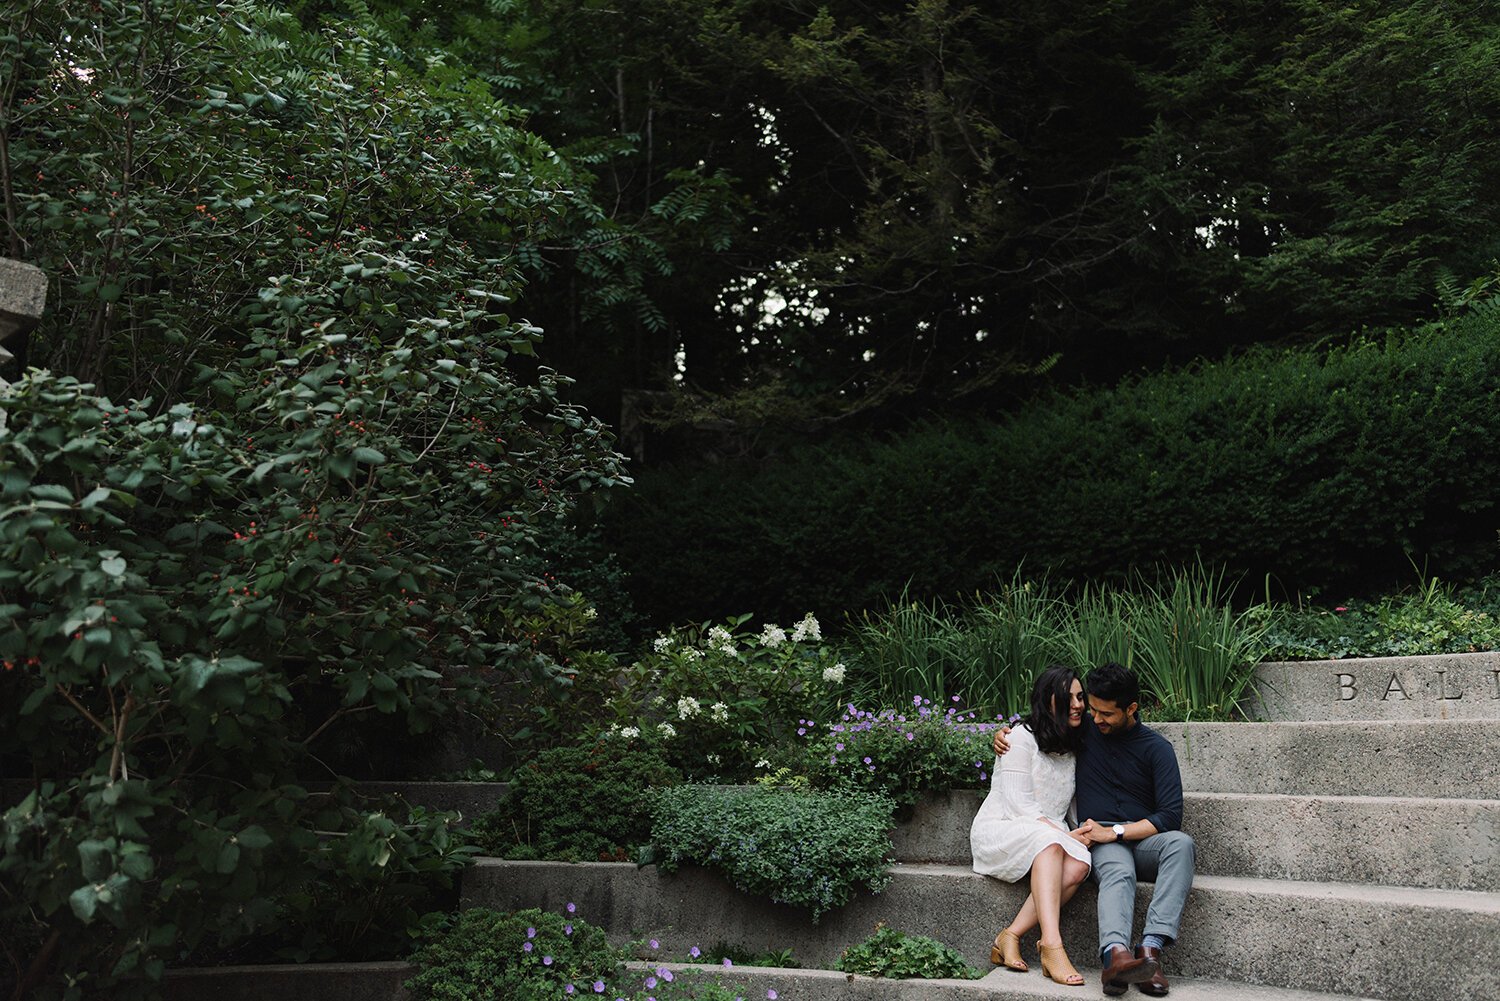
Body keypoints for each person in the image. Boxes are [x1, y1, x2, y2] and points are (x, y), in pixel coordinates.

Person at [995, 661, 1191, 997]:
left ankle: (1150, 952)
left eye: (1106, 714)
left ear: (1131, 708)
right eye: (1093, 710)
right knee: (1118, 869)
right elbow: (1041, 719)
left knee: (1182, 844)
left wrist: (1115, 831)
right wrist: (1003, 733)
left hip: (1139, 840)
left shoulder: (1158, 749)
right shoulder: (1085, 728)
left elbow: (1170, 816)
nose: (1096, 719)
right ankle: (1115, 957)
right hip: (1099, 842)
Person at [970, 665, 1094, 986]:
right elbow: (1018, 806)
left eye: (1081, 697)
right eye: (1069, 698)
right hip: (1004, 827)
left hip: (1044, 833)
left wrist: (1080, 832)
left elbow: (1071, 809)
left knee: (1080, 863)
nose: (1078, 704)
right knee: (1051, 843)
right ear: (1048, 701)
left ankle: (1009, 936)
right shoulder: (1019, 738)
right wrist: (1063, 835)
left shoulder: (1073, 742)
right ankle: (1051, 946)